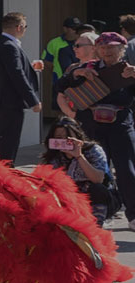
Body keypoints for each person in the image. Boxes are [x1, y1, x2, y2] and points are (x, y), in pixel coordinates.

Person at [55, 31, 135, 227]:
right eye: (103, 47)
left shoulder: (129, 70)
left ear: (122, 49)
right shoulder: (86, 68)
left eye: (112, 47)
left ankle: (133, 215)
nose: (107, 51)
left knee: (127, 171)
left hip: (120, 125)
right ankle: (102, 212)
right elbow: (60, 87)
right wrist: (77, 73)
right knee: (96, 172)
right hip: (91, 127)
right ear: (97, 49)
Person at [42, 118, 115, 223]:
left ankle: (96, 226)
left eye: (68, 138)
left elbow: (98, 179)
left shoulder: (93, 150)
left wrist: (79, 156)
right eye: (59, 138)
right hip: (68, 197)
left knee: (97, 189)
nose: (64, 141)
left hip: (95, 196)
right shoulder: (54, 155)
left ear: (77, 136)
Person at [0, 11, 42, 165]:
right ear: (19, 27)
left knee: (6, 138)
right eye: (25, 27)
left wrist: (30, 67)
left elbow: (14, 70)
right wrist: (33, 100)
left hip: (7, 100)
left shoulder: (4, 43)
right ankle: (5, 169)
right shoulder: (10, 46)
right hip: (11, 101)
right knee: (10, 139)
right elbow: (16, 74)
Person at [45, 16, 84, 82]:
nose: (77, 31)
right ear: (65, 29)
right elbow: (48, 62)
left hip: (80, 80)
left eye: (79, 28)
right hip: (60, 80)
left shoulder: (84, 42)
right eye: (74, 28)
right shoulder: (54, 43)